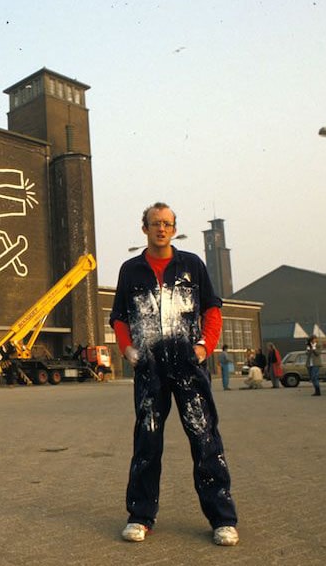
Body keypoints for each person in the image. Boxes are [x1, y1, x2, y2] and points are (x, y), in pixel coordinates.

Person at [110, 202, 239, 547]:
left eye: (167, 224)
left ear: (174, 228)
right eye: (155, 224)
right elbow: (119, 317)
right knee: (147, 443)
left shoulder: (192, 265)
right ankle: (140, 516)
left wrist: (203, 348)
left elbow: (213, 309)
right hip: (149, 369)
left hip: (188, 367)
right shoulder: (130, 270)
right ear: (145, 229)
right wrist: (128, 351)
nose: (161, 229)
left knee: (204, 438)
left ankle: (222, 519)